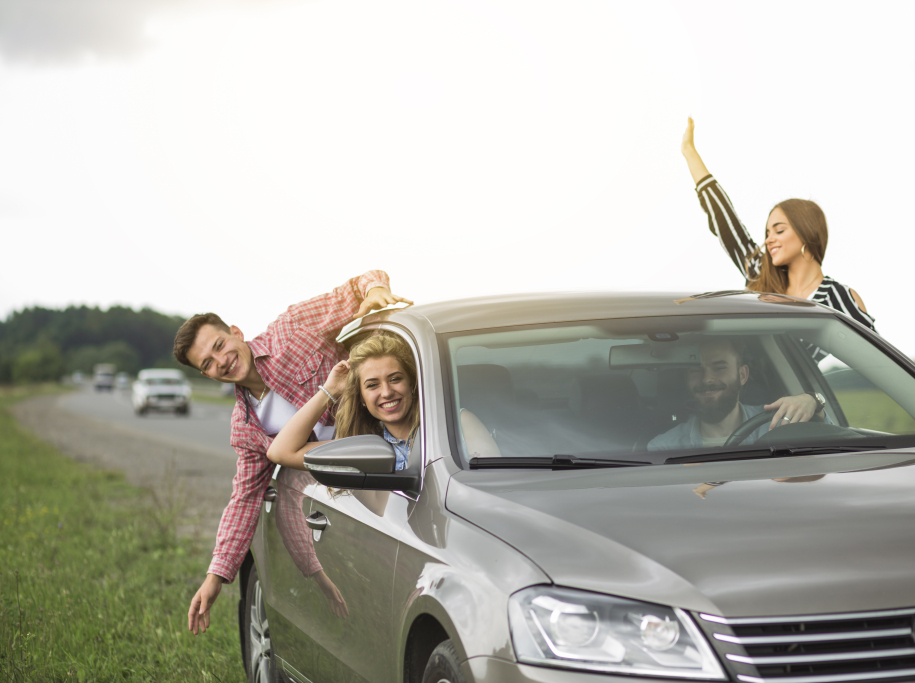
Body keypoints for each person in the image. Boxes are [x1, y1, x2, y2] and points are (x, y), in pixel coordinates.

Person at [172, 271, 411, 635]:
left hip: (397, 443)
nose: (219, 361)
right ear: (205, 375)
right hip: (345, 487)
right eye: (206, 363)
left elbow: (358, 285)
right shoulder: (245, 426)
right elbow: (245, 498)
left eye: (219, 345)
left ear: (235, 332)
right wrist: (215, 576)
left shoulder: (292, 328)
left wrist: (376, 291)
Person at [680, 118, 876, 332]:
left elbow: (874, 357)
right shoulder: (760, 273)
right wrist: (690, 153)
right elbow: (725, 221)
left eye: (779, 230)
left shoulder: (840, 298)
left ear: (806, 233)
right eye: (767, 232)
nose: (768, 239)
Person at [268, 333, 420, 471]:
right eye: (372, 385)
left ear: (411, 383)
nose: (387, 392)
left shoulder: (442, 426)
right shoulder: (365, 451)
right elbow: (281, 452)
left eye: (395, 379)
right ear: (361, 398)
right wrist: (330, 390)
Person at [648, 338, 826, 451]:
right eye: (696, 370)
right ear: (687, 378)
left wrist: (813, 402)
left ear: (742, 375)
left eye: (719, 368)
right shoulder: (664, 447)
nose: (707, 379)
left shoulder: (779, 424)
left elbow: (830, 444)